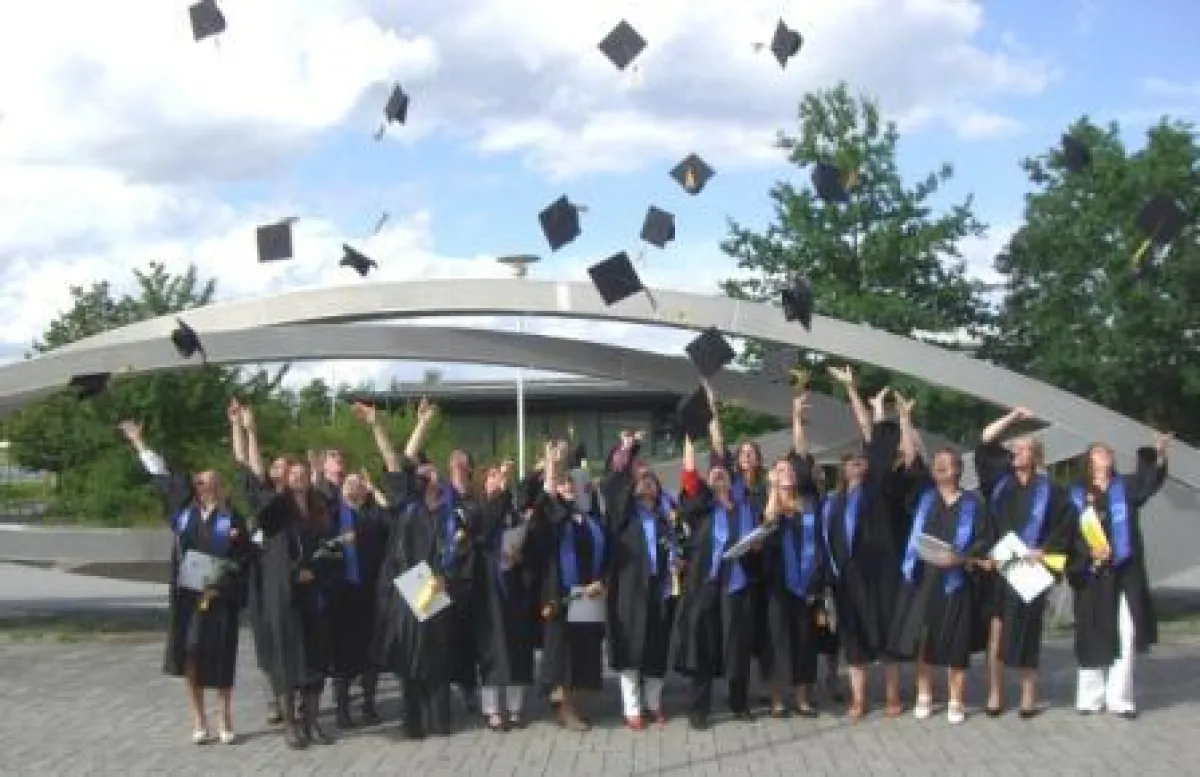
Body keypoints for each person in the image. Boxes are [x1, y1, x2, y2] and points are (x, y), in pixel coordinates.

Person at [121, 419, 248, 745]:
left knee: (221, 655)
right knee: (191, 653)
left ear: (220, 487)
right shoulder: (183, 511)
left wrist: (236, 547)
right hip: (189, 597)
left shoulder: (231, 518)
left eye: (211, 482)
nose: (205, 486)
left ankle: (224, 716)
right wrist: (139, 442)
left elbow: (245, 557)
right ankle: (198, 717)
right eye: (200, 482)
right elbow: (160, 475)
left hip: (219, 597)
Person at [887, 395, 994, 725]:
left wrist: (960, 558)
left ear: (959, 469)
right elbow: (910, 460)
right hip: (924, 582)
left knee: (957, 645)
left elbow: (984, 542)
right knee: (926, 642)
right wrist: (905, 420)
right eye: (937, 464)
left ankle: (956, 700)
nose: (940, 467)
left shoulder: (974, 504)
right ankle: (924, 695)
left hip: (956, 583)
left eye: (946, 463)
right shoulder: (924, 499)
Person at [367, 397, 464, 738]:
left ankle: (439, 718)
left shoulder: (449, 511)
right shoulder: (407, 505)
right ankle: (414, 720)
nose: (427, 474)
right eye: (421, 472)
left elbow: (455, 549)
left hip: (437, 581)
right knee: (412, 653)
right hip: (411, 581)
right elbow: (396, 461)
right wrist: (402, 425)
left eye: (430, 470)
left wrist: (446, 577)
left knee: (437, 652)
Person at [974, 407, 1080, 717]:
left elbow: (1066, 526)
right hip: (1001, 567)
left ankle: (1028, 694)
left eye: (1023, 449)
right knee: (996, 633)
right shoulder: (998, 483)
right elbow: (986, 439)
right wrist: (1013, 417)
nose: (1016, 452)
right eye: (1014, 448)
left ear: (1036, 456)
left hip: (1031, 570)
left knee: (1028, 633)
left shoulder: (1052, 491)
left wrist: (1044, 550)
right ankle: (995, 693)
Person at [1067, 432, 1171, 719]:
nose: (1107, 454)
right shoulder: (1075, 493)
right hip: (1092, 573)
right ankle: (1089, 698)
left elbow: (1149, 482)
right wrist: (1088, 553)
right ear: (1089, 461)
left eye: (1108, 452)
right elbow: (1068, 532)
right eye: (1100, 452)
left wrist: (1159, 454)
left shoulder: (1124, 487)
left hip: (1125, 571)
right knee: (1092, 633)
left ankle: (1120, 699)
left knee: (1127, 632)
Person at [823, 366, 906, 720]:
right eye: (851, 463)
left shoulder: (877, 491)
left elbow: (871, 436)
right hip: (848, 578)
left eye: (861, 461)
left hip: (880, 574)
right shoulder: (834, 503)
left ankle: (892, 697)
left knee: (886, 637)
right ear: (843, 471)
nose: (857, 464)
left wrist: (852, 391)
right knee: (853, 640)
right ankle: (858, 700)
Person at [674, 431, 759, 730]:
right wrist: (690, 438)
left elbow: (754, 540)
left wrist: (755, 544)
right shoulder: (701, 507)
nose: (718, 475)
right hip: (705, 587)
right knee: (703, 646)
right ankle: (699, 709)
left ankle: (739, 702)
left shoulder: (743, 507)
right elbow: (689, 475)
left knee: (737, 646)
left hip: (737, 585)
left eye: (723, 472)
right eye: (713, 473)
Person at [603, 431, 682, 730]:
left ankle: (653, 703)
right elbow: (614, 485)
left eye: (651, 478)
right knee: (631, 649)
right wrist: (629, 449)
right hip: (629, 591)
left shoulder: (665, 517)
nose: (646, 481)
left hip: (660, 590)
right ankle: (632, 708)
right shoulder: (623, 515)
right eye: (641, 478)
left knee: (657, 649)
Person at [758, 392, 826, 718]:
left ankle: (803, 698)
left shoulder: (809, 501)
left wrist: (797, 418)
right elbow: (769, 521)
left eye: (789, 469)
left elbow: (800, 453)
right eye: (780, 469)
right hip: (776, 584)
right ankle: (776, 698)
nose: (787, 471)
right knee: (776, 640)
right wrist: (774, 488)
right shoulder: (768, 502)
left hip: (806, 583)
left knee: (804, 640)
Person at [537, 438, 609, 731]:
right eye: (562, 484)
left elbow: (605, 550)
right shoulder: (553, 517)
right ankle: (563, 708)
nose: (568, 487)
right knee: (562, 654)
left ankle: (571, 705)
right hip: (560, 595)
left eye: (571, 483)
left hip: (588, 593)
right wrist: (551, 466)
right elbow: (545, 507)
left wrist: (601, 581)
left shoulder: (587, 519)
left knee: (581, 651)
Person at [226, 399, 288, 727]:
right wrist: (239, 426)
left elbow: (252, 469)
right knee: (263, 640)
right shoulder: (260, 500)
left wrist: (250, 430)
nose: (276, 471)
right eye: (274, 466)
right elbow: (245, 467)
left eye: (283, 467)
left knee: (284, 638)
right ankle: (274, 699)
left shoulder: (287, 503)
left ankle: (289, 695)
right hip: (259, 579)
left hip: (282, 576)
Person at [468, 459, 536, 731]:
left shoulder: (513, 510)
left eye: (500, 475)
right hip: (489, 585)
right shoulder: (477, 509)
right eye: (493, 475)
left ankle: (515, 708)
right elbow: (485, 527)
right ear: (483, 483)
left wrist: (521, 553)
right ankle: (492, 709)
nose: (499, 478)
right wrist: (502, 491)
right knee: (492, 648)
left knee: (517, 646)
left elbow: (526, 537)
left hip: (513, 584)